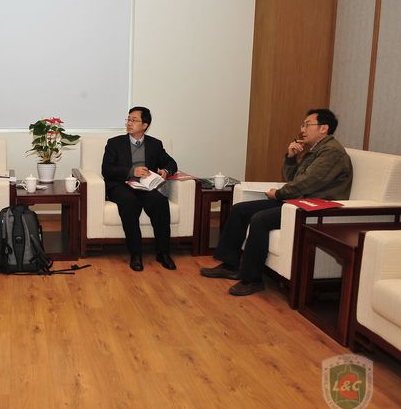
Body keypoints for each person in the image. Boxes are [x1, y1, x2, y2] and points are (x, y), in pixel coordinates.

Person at [200, 108, 353, 296]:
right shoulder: (315, 151)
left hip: (315, 208)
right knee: (240, 210)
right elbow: (293, 180)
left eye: (307, 125)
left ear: (324, 128)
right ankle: (230, 265)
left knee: (260, 219)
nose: (302, 129)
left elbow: (306, 183)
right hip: (299, 202)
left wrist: (278, 194)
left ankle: (252, 279)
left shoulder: (332, 153)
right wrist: (290, 158)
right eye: (302, 125)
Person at [101, 106, 178, 271]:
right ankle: (136, 254)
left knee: (160, 202)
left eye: (134, 120)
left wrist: (166, 171)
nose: (129, 123)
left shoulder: (155, 144)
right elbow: (107, 170)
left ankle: (163, 253)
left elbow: (171, 163)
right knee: (130, 203)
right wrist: (131, 171)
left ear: (145, 125)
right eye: (128, 119)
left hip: (144, 186)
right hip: (120, 186)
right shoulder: (114, 143)